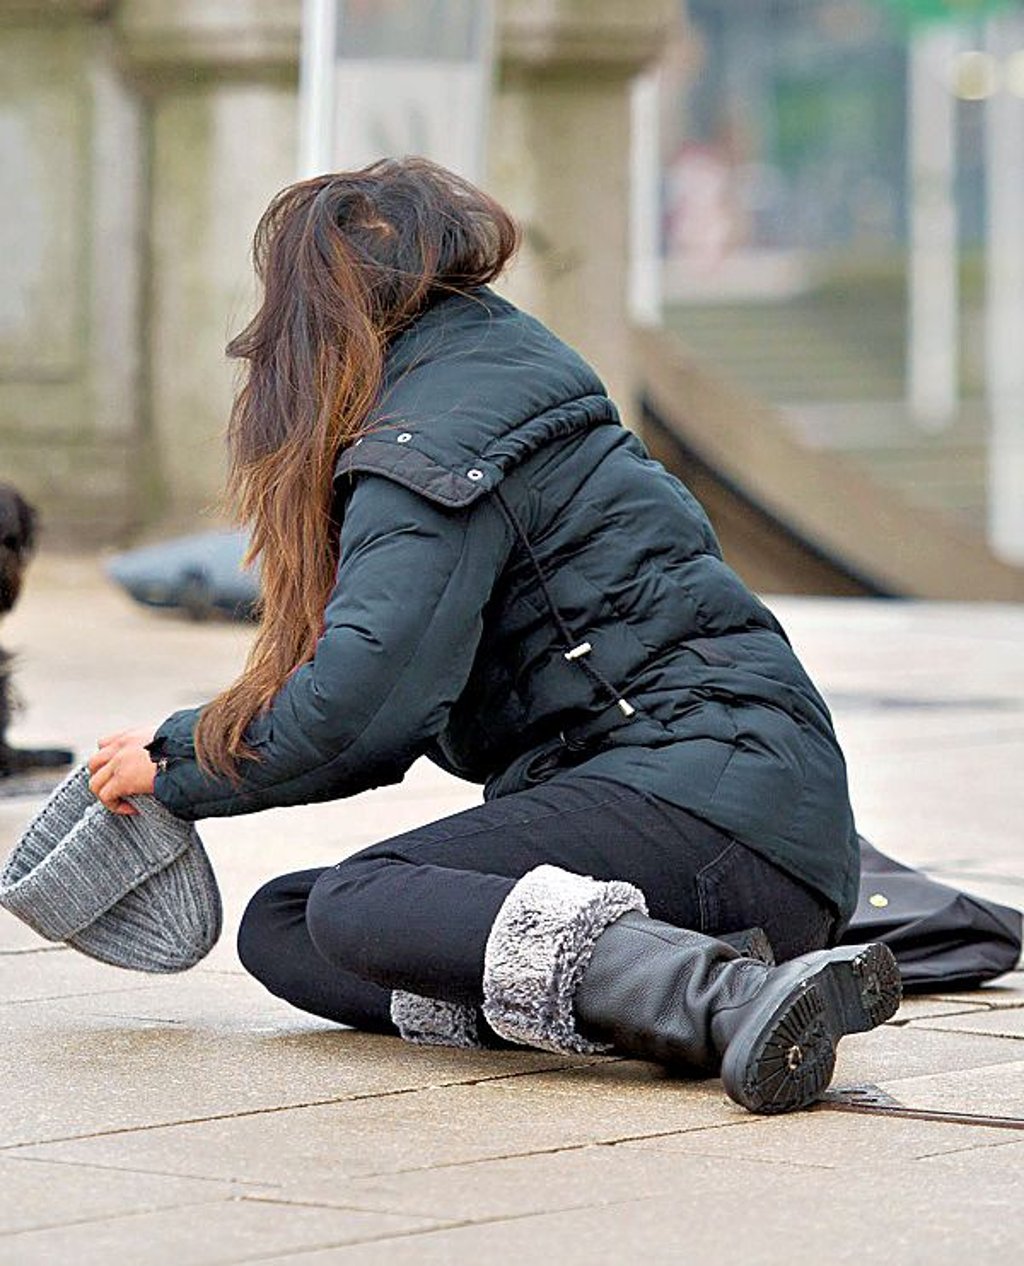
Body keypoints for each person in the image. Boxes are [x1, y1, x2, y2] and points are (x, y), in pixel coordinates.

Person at [87, 157, 899, 1115]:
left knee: (364, 899)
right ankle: (676, 982)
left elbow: (364, 703)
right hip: (734, 816)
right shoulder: (487, 375)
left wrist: (178, 761)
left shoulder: (432, 436)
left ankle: (724, 997)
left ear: (314, 317)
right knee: (291, 925)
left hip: (714, 806)